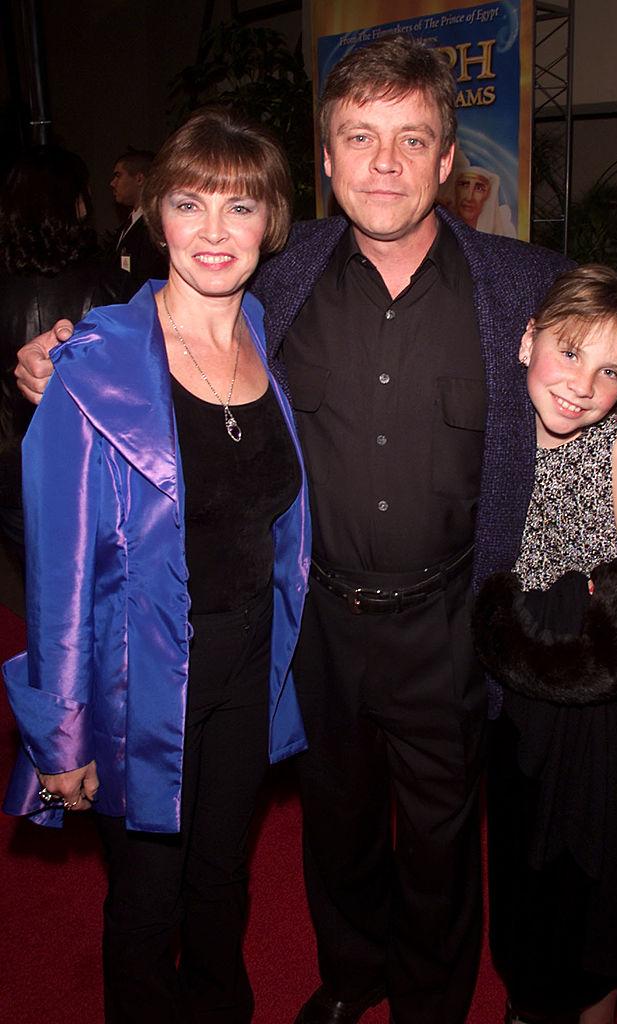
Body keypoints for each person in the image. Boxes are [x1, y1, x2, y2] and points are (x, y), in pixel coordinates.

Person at [13, 37, 617, 1024]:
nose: (384, 163)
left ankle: (429, 1001)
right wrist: (69, 347)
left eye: (411, 139)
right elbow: (169, 311)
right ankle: (351, 981)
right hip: (311, 624)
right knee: (335, 828)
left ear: (445, 163)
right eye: (359, 137)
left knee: (441, 837)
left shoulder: (522, 284)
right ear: (328, 156)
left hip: (450, 616)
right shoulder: (277, 267)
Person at [3, 107, 310, 1024]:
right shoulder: (90, 365)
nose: (215, 232)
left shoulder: (262, 326)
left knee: (223, 877)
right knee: (145, 899)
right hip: (139, 675)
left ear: (272, 223)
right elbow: (56, 571)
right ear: (153, 215)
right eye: (189, 203)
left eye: (240, 208)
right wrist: (60, 735)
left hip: (250, 662)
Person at [473, 265, 617, 1024]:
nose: (580, 385)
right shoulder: (495, 425)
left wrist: (575, 616)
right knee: (525, 879)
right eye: (568, 352)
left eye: (608, 371)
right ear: (526, 340)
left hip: (600, 719)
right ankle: (527, 999)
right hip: (516, 705)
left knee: (590, 892)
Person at [0, 145, 122, 562]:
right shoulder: (110, 286)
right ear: (77, 203)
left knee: (41, 592)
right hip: (87, 476)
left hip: (11, 471)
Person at [109, 147, 169, 297]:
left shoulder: (156, 225)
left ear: (139, 179)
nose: (112, 183)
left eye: (118, 176)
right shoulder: (128, 224)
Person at [453, 166, 516, 236]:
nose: (469, 197)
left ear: (488, 195)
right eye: (464, 185)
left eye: (479, 189)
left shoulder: (502, 234)